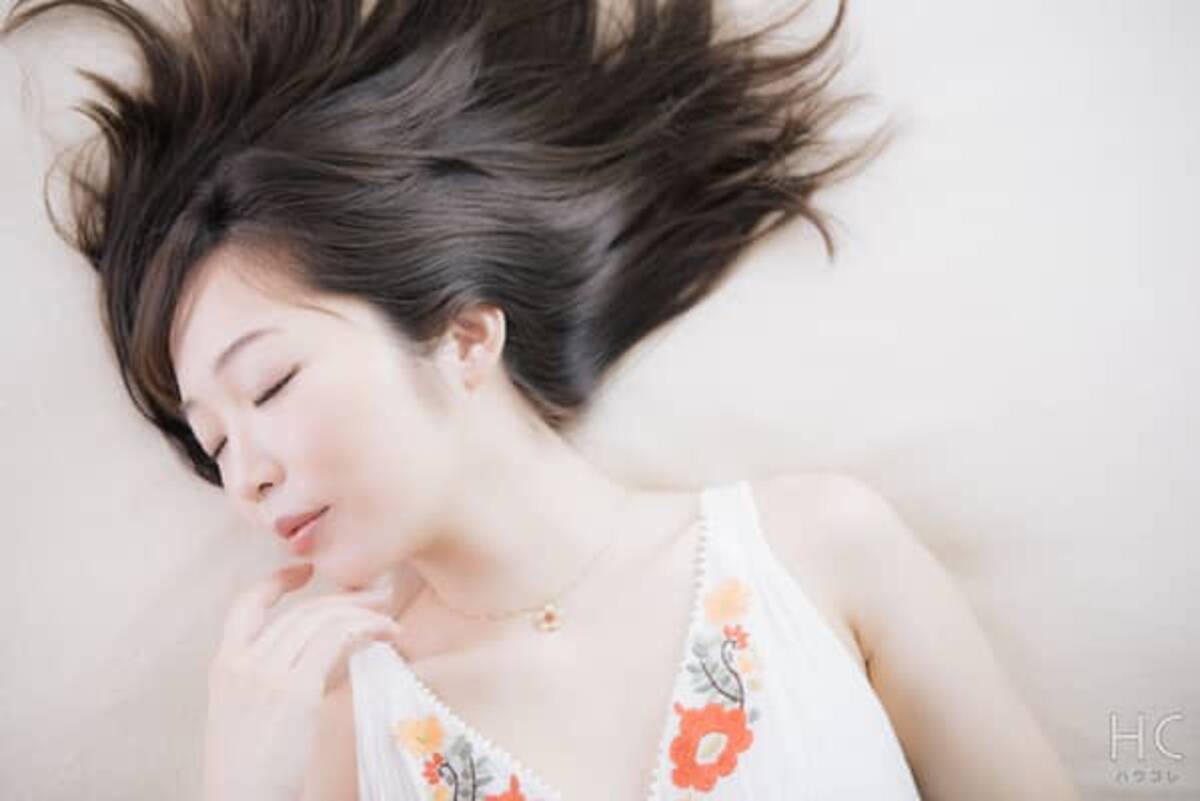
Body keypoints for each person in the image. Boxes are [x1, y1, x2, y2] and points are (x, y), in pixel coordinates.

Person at [3, 0, 1080, 799]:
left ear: (465, 336)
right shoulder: (344, 733)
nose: (245, 476)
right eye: (212, 445)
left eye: (269, 385)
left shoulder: (818, 551)